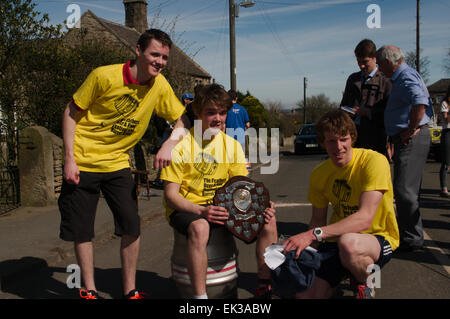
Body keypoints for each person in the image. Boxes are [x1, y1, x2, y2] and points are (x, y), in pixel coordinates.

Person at [59, 29, 190, 299]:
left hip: (118, 163)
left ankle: (130, 290)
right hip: (83, 161)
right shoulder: (103, 76)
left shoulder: (160, 85)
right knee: (83, 230)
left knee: (131, 226)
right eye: (154, 54)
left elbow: (183, 120)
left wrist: (169, 144)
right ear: (138, 50)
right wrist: (69, 158)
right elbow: (71, 112)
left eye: (165, 57)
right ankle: (90, 290)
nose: (160, 61)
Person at [161, 84, 278, 299]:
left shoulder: (232, 146)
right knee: (200, 228)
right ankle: (200, 298)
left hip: (222, 205)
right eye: (211, 112)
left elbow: (240, 188)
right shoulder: (180, 146)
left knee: (268, 219)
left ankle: (264, 284)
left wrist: (259, 204)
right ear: (197, 113)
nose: (218, 118)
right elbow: (170, 196)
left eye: (222, 112)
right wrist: (201, 211)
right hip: (188, 207)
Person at [282, 109, 399, 299]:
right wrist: (302, 253)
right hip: (336, 241)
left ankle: (367, 282)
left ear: (352, 138)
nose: (338, 147)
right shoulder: (319, 174)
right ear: (322, 142)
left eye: (343, 139)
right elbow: (317, 221)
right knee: (305, 296)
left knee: (349, 244)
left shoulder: (374, 161)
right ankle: (341, 275)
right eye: (331, 141)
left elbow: (364, 220)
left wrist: (312, 234)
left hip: (376, 238)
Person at [376, 45, 433, 252]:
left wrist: (410, 129)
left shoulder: (406, 76)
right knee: (405, 189)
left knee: (404, 191)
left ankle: (412, 239)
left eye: (380, 64)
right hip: (404, 139)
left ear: (388, 62)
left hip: (411, 139)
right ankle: (409, 234)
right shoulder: (403, 76)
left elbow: (420, 101)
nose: (379, 69)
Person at [340, 39, 392, 157]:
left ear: (375, 58)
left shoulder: (386, 80)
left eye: (365, 62)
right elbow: (343, 105)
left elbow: (391, 113)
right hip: (354, 139)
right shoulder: (352, 79)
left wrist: (368, 112)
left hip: (376, 140)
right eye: (359, 62)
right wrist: (347, 111)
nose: (361, 66)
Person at [151, 92, 195, 189]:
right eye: (190, 100)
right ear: (185, 100)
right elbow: (161, 125)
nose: (192, 101)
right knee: (166, 157)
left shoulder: (188, 111)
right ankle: (160, 179)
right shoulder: (177, 110)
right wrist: (172, 130)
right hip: (169, 136)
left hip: (182, 137)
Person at [439, 85, 450, 197]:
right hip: (448, 132)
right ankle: (444, 188)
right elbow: (447, 119)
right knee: (447, 162)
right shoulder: (445, 104)